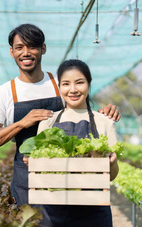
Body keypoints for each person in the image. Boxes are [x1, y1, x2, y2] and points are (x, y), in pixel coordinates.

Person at [0, 23, 120, 226]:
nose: (26, 53)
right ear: (11, 52)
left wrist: (106, 113)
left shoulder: (60, 84)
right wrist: (22, 123)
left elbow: (86, 115)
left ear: (43, 49)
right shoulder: (4, 93)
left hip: (75, 185)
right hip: (29, 185)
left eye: (32, 46)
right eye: (19, 47)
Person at [33, 58, 119, 226]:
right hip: (53, 211)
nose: (72, 90)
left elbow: (112, 176)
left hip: (94, 212)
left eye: (79, 83)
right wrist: (35, 164)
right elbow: (42, 174)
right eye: (66, 84)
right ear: (59, 87)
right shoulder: (47, 122)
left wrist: (111, 164)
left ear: (89, 84)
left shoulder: (104, 121)